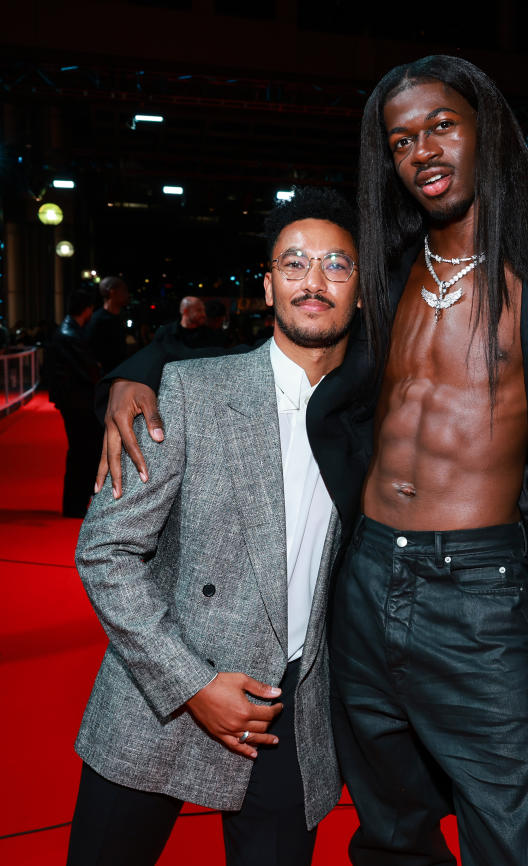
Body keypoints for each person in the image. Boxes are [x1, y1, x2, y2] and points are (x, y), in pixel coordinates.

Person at [94, 56, 528, 866]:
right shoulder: (387, 269)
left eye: (441, 126)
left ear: (484, 131)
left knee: (512, 832)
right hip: (363, 580)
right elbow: (286, 334)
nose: (423, 150)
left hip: (481, 590)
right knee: (389, 826)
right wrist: (141, 368)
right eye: (402, 140)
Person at [66, 188, 362, 866]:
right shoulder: (188, 392)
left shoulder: (373, 416)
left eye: (335, 265)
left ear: (362, 289)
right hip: (158, 693)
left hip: (291, 711)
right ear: (267, 287)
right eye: (293, 264)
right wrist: (191, 682)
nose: (312, 281)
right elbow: (106, 549)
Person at [47, 289, 102, 516]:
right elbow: (88, 371)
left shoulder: (67, 331)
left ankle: (76, 504)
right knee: (83, 452)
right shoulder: (70, 334)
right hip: (78, 403)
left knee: (81, 451)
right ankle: (75, 505)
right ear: (87, 309)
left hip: (73, 401)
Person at [85, 275, 130, 374]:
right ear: (112, 292)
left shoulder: (120, 316)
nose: (127, 294)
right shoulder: (98, 320)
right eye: (123, 291)